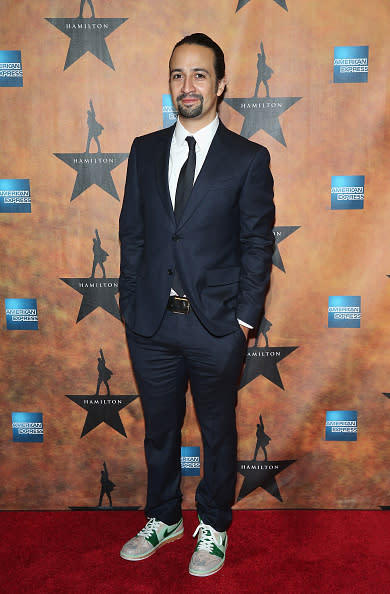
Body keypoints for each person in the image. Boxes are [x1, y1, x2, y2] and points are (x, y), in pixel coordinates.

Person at [119, 33, 275, 577]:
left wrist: (243, 320)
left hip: (216, 327)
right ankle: (163, 517)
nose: (188, 86)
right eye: (177, 75)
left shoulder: (249, 159)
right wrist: (130, 303)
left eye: (200, 74)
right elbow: (132, 235)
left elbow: (258, 243)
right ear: (169, 84)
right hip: (152, 325)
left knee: (217, 432)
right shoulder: (143, 150)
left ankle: (213, 524)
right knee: (159, 429)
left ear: (221, 84)